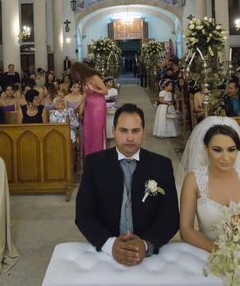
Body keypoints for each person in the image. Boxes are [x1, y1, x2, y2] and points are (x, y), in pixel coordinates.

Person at [75, 104, 179, 265]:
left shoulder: (161, 165)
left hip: (148, 255)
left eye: (135, 131)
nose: (130, 138)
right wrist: (110, 244)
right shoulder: (95, 164)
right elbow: (84, 214)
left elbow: (170, 217)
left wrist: (146, 244)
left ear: (144, 132)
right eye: (123, 131)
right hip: (105, 252)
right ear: (113, 130)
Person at [179, 125, 240, 252]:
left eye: (231, 150)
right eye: (217, 150)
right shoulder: (193, 180)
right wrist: (222, 251)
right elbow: (186, 230)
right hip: (208, 251)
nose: (225, 158)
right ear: (206, 149)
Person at [70, 62, 108, 157]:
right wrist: (77, 105)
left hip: (98, 105)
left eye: (76, 74)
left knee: (96, 129)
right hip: (89, 106)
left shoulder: (94, 77)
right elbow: (85, 94)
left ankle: (98, 153)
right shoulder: (85, 79)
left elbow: (105, 91)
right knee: (88, 130)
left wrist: (94, 89)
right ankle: (89, 153)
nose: (76, 77)